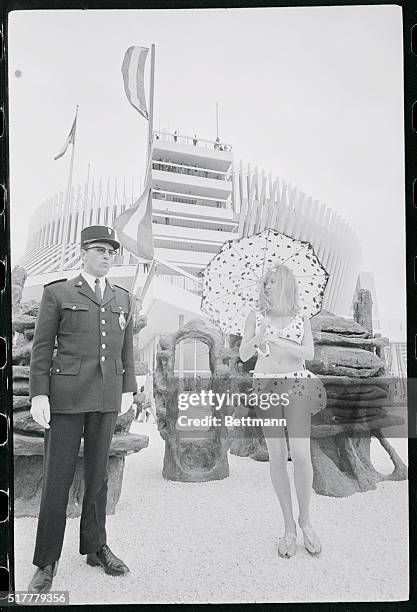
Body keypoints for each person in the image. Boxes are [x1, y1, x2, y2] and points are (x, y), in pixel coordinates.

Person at [28, 225, 137, 593]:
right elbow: (41, 348)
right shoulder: (58, 292)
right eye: (100, 250)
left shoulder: (123, 298)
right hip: (67, 397)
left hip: (105, 397)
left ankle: (95, 546)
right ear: (83, 253)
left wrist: (127, 389)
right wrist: (38, 394)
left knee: (98, 476)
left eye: (112, 252)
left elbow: (126, 350)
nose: (108, 257)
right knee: (57, 478)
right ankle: (46, 560)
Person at [239, 265, 325, 559]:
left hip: (297, 386)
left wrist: (280, 341)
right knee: (276, 455)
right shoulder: (256, 316)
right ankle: (289, 526)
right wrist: (258, 339)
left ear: (286, 284)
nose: (267, 286)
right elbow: (243, 354)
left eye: (273, 281)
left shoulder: (302, 318)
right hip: (265, 387)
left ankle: (306, 521)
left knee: (300, 454)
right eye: (265, 282)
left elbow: (309, 354)